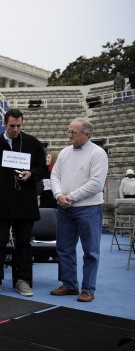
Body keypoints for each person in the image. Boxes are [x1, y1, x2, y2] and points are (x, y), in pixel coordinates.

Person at [0, 108, 48, 297]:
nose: (16, 129)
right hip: (1, 203)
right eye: (12, 126)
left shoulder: (32, 143)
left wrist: (32, 174)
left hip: (25, 202)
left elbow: (43, 168)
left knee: (24, 244)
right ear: (4, 123)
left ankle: (23, 280)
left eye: (19, 126)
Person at [50, 118, 108, 303]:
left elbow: (96, 184)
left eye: (73, 132)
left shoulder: (98, 153)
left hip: (88, 208)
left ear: (87, 134)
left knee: (91, 251)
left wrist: (71, 197)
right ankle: (69, 284)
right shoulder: (64, 152)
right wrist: (59, 195)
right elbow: (55, 176)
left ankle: (88, 289)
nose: (69, 135)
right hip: (65, 208)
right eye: (69, 131)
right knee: (64, 248)